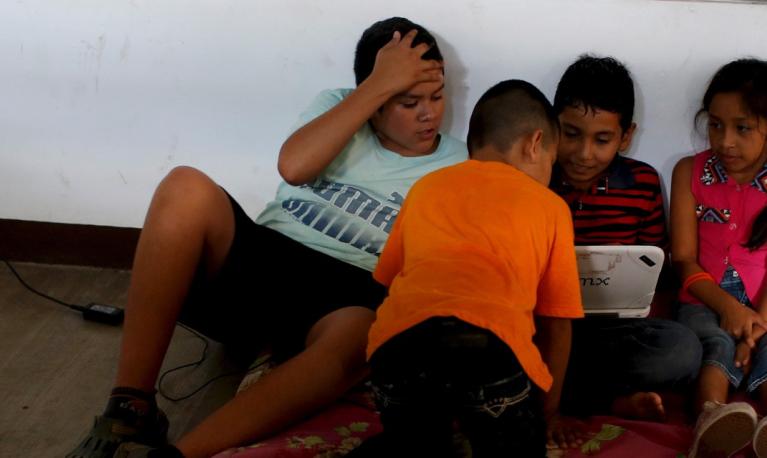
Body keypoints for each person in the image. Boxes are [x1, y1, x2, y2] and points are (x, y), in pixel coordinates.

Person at [66, 17, 468, 458]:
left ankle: (182, 454)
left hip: (351, 290)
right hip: (270, 260)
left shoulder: (460, 163)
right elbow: (294, 167)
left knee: (368, 333)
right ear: (372, 99)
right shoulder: (338, 106)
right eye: (408, 101)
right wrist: (377, 85)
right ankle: (130, 406)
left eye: (436, 95)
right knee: (185, 186)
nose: (430, 113)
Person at [347, 79, 584, 457]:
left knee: (413, 441)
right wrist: (547, 412)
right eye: (552, 163)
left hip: (399, 348)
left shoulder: (425, 187)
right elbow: (557, 325)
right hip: (487, 349)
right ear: (535, 145)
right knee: (510, 440)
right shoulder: (550, 206)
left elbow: (388, 281)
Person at [547, 55, 702, 448]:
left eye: (602, 140)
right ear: (552, 125)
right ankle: (609, 400)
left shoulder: (642, 182)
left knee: (682, 350)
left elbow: (658, 264)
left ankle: (568, 390)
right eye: (571, 133)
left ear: (626, 135)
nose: (584, 153)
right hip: (545, 324)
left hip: (612, 330)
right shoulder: (536, 177)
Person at [671, 58, 767, 458]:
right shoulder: (689, 172)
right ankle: (711, 420)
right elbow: (683, 260)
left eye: (742, 128)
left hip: (763, 304)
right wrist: (728, 308)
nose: (725, 140)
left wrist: (756, 326)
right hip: (703, 297)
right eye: (715, 124)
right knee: (712, 341)